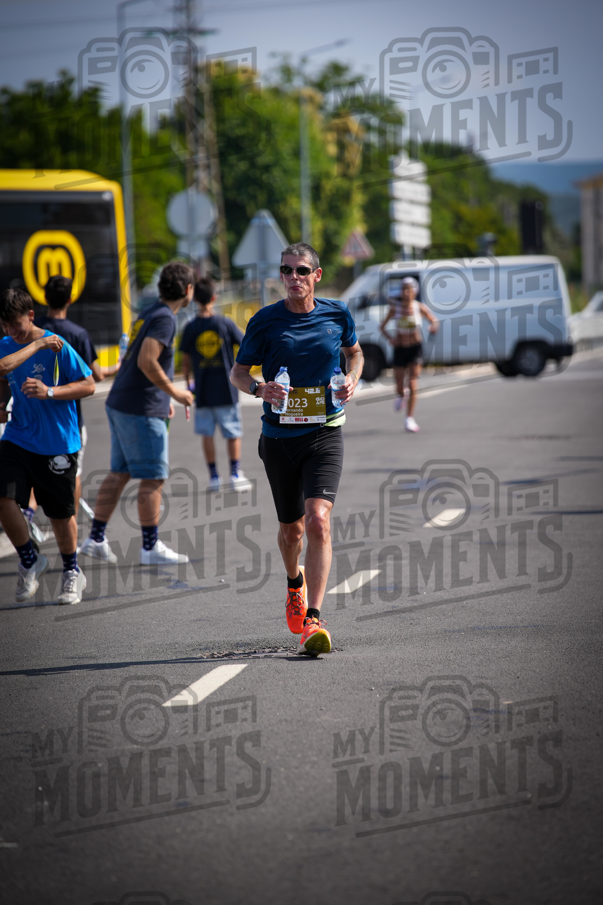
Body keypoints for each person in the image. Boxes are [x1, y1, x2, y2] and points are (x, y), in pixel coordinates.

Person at [230, 242, 363, 656]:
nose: (293, 278)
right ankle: (294, 585)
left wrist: (352, 379)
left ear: (316, 276)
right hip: (279, 438)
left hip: (324, 432)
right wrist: (259, 388)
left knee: (318, 520)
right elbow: (238, 372)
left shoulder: (336, 314)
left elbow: (355, 354)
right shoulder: (265, 321)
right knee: (292, 531)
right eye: (286, 270)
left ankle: (314, 619)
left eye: (302, 271)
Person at [79, 261, 194, 566]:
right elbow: (146, 361)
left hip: (122, 402)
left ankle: (96, 538)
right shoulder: (165, 318)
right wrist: (176, 393)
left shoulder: (148, 313)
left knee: (121, 472)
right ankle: (150, 547)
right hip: (140, 408)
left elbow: (138, 361)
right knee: (154, 476)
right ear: (188, 291)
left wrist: (161, 394)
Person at [0, 288, 94, 604]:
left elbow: (89, 384)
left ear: (30, 316)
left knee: (59, 513)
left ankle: (72, 572)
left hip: (56, 442)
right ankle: (30, 559)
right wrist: (2, 401)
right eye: (4, 325)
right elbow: (2, 373)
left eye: (15, 324)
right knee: (3, 499)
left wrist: (49, 392)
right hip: (18, 437)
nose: (10, 331)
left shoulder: (58, 346)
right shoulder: (11, 345)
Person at [35, 274, 120, 515]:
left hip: (34, 415)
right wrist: (119, 365)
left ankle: (29, 515)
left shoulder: (35, 332)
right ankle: (69, 516)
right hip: (69, 419)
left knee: (33, 465)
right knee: (74, 471)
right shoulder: (78, 334)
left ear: (45, 297)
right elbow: (97, 375)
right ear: (70, 299)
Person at [180, 277, 248, 491]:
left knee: (207, 433)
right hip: (227, 388)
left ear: (194, 299)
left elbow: (185, 361)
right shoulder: (225, 323)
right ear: (214, 297)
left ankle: (214, 478)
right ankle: (235, 474)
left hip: (202, 390)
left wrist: (189, 384)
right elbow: (246, 345)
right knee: (232, 432)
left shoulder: (190, 327)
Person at [379, 276, 439, 432]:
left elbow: (434, 320)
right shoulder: (395, 308)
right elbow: (382, 327)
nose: (406, 292)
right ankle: (401, 395)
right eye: (404, 289)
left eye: (410, 289)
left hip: (415, 348)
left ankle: (409, 418)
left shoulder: (419, 307)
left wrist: (433, 326)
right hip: (400, 349)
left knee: (412, 383)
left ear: (415, 291)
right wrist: (391, 339)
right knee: (399, 386)